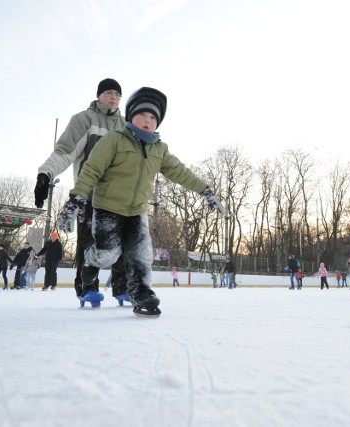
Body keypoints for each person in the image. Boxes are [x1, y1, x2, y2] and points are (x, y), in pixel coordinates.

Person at [58, 87, 226, 315]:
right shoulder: (114, 140)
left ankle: (140, 291)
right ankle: (90, 263)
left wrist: (205, 191)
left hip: (136, 211)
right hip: (107, 207)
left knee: (141, 253)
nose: (147, 121)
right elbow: (92, 170)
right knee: (109, 253)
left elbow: (181, 172)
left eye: (152, 118)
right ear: (131, 116)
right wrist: (76, 199)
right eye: (142, 115)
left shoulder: (160, 149)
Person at [35, 78, 127, 299]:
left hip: (119, 198)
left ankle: (124, 288)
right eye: (108, 92)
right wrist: (45, 173)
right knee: (89, 241)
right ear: (98, 96)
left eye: (117, 94)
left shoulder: (126, 126)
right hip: (90, 194)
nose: (113, 97)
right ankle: (88, 287)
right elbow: (65, 151)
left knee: (124, 241)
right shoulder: (84, 120)